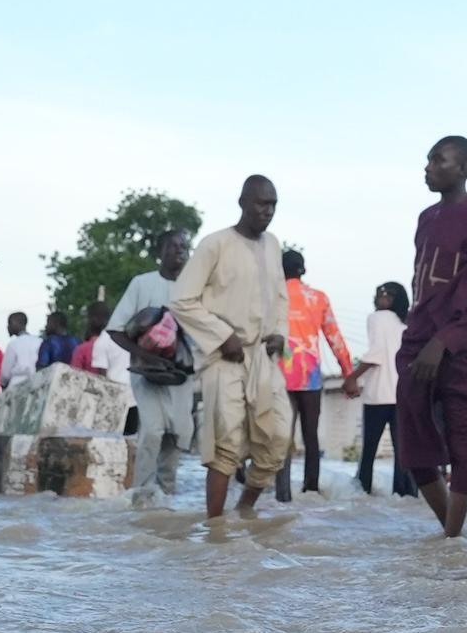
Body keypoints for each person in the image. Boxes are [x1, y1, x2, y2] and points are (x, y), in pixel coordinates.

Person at [396, 136, 467, 538]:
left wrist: (444, 342)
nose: (428, 167)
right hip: (415, 341)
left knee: (461, 438)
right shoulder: (425, 218)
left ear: (463, 169)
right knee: (413, 444)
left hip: (457, 347)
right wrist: (421, 340)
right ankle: (451, 536)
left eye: (438, 160)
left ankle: (453, 541)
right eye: (428, 160)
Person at [171, 176, 292, 519]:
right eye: (260, 203)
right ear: (242, 202)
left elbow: (281, 298)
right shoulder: (215, 244)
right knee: (226, 442)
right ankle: (216, 528)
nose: (267, 211)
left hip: (263, 359)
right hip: (224, 357)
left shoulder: (273, 245)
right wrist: (222, 336)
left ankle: (244, 511)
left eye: (273, 205)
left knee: (279, 437)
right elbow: (182, 299)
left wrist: (280, 333)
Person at [112, 230, 199, 504]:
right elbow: (116, 329)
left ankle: (166, 502)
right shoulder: (142, 283)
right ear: (159, 253)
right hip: (148, 374)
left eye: (184, 247)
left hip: (182, 375)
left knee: (177, 435)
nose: (180, 251)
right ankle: (141, 499)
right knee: (152, 431)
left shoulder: (195, 289)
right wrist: (147, 356)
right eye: (173, 246)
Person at [276, 249, 357, 501]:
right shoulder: (318, 298)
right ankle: (310, 488)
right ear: (304, 270)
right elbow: (335, 338)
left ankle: (282, 494)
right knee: (311, 435)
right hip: (309, 376)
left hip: (279, 375)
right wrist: (348, 373)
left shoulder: (273, 296)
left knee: (281, 436)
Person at [354, 281, 417, 497]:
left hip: (378, 394)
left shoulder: (375, 318)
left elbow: (376, 354)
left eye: (386, 295)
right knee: (403, 452)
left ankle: (363, 494)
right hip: (401, 394)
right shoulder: (407, 323)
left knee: (369, 451)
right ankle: (404, 495)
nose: (382, 298)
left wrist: (352, 377)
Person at [0, 311, 41, 389]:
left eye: (10, 323)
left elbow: (5, 374)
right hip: (35, 385)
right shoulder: (39, 341)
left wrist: (3, 384)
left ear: (16, 323)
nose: (8, 327)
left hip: (16, 387)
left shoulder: (13, 344)